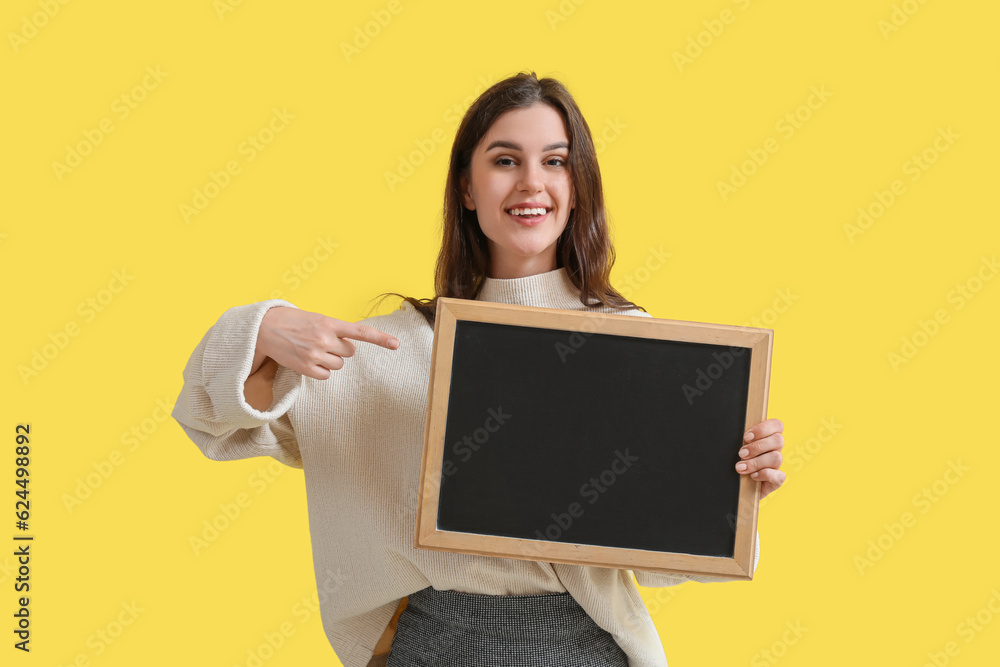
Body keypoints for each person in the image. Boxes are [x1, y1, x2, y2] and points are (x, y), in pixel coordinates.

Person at [172, 71, 786, 667]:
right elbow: (213, 418)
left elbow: (665, 559)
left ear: (579, 185)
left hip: (579, 643)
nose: (531, 184)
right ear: (467, 187)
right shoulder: (392, 350)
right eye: (504, 160)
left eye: (554, 161)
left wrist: (733, 486)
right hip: (431, 641)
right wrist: (266, 326)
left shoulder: (633, 347)